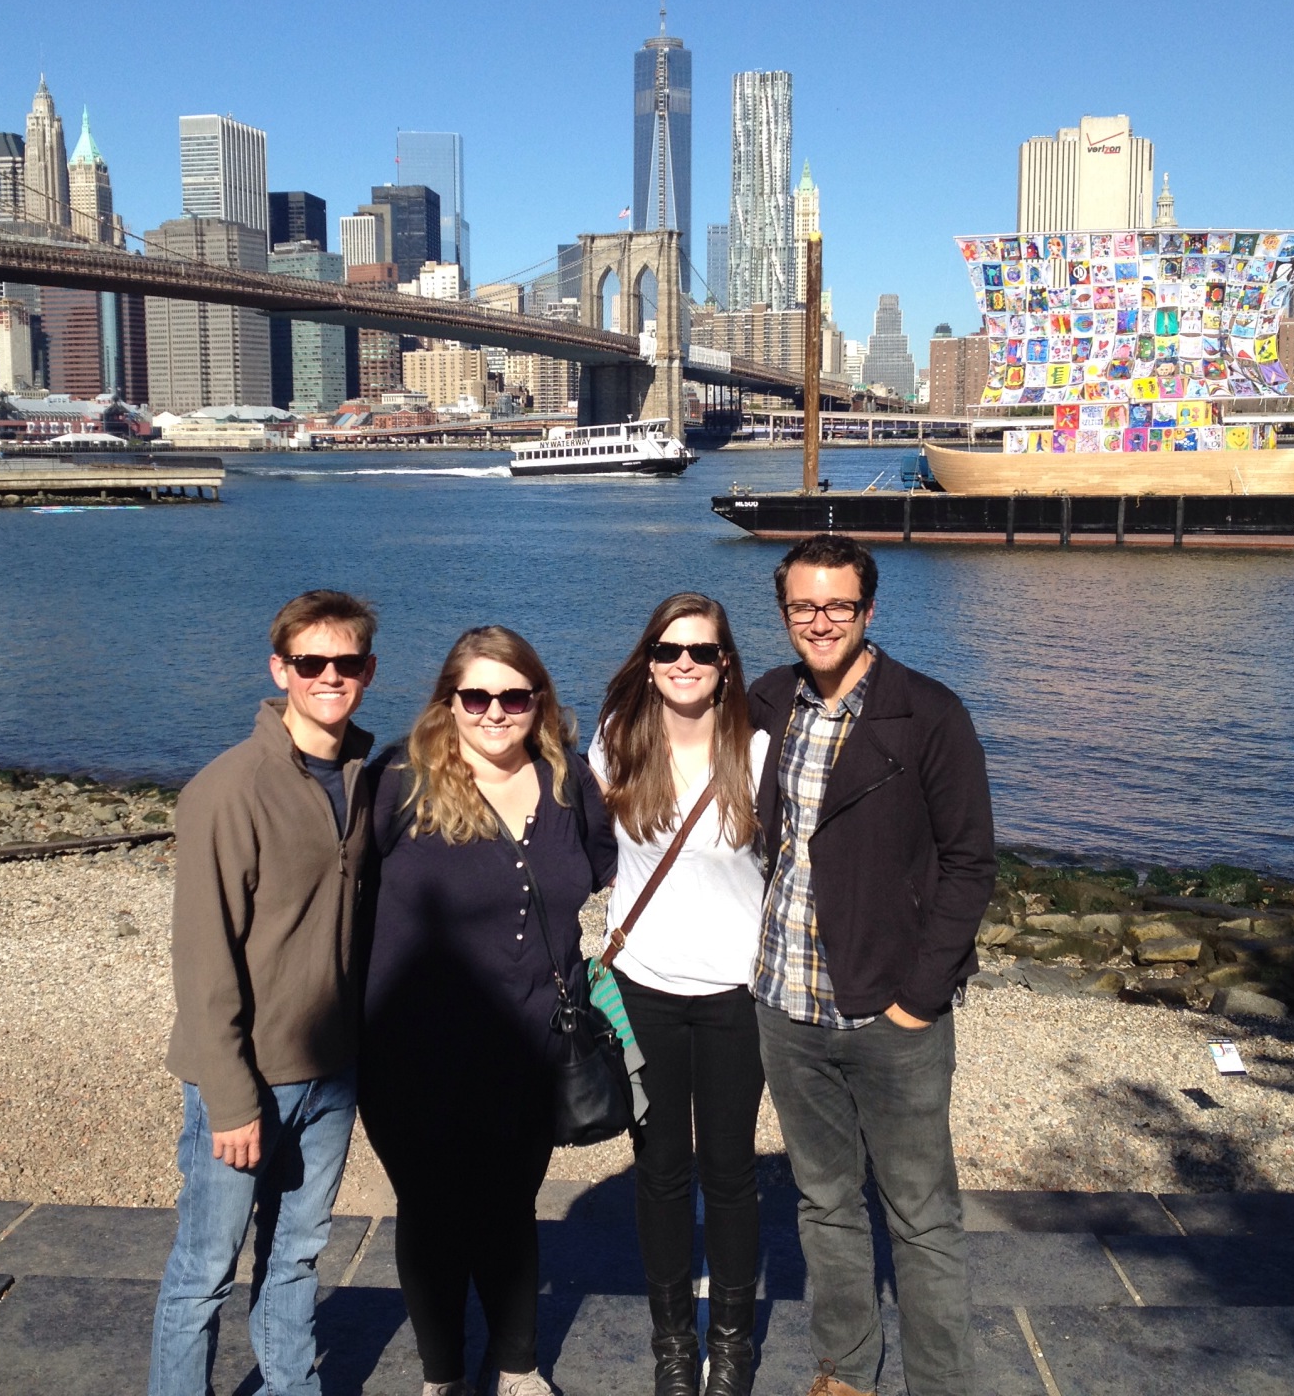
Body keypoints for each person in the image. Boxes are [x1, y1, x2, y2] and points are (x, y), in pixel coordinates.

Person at [746, 534, 995, 1396]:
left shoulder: (928, 715)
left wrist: (920, 1000)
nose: (820, 622)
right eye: (803, 607)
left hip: (891, 1009)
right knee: (824, 1203)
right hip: (786, 1002)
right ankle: (846, 1370)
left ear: (869, 612)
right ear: (784, 614)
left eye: (838, 606)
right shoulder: (769, 700)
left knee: (922, 1218)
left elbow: (970, 863)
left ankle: (939, 1382)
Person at [361, 626, 616, 1396]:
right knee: (433, 1215)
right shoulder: (399, 784)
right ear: (449, 703)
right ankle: (442, 1375)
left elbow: (609, 870)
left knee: (509, 1210)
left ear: (539, 701)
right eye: (477, 696)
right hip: (413, 1052)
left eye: (513, 696)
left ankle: (517, 1366)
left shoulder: (570, 780)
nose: (495, 712)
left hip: (531, 1045)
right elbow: (337, 894)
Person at [149, 590, 381, 1396]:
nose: (330, 677)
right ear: (280, 668)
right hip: (249, 1080)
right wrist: (231, 1098)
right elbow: (204, 958)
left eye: (346, 663)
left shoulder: (363, 777)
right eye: (311, 662)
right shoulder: (228, 790)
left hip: (332, 1073)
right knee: (204, 1270)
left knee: (296, 1261)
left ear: (368, 671)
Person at [590, 594, 771, 1396]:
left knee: (730, 1171)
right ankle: (672, 1342)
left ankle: (729, 1345)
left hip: (738, 993)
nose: (685, 663)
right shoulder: (616, 745)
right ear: (650, 661)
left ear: (726, 660)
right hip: (644, 989)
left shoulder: (760, 751)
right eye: (669, 651)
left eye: (701, 650)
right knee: (660, 1168)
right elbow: (573, 843)